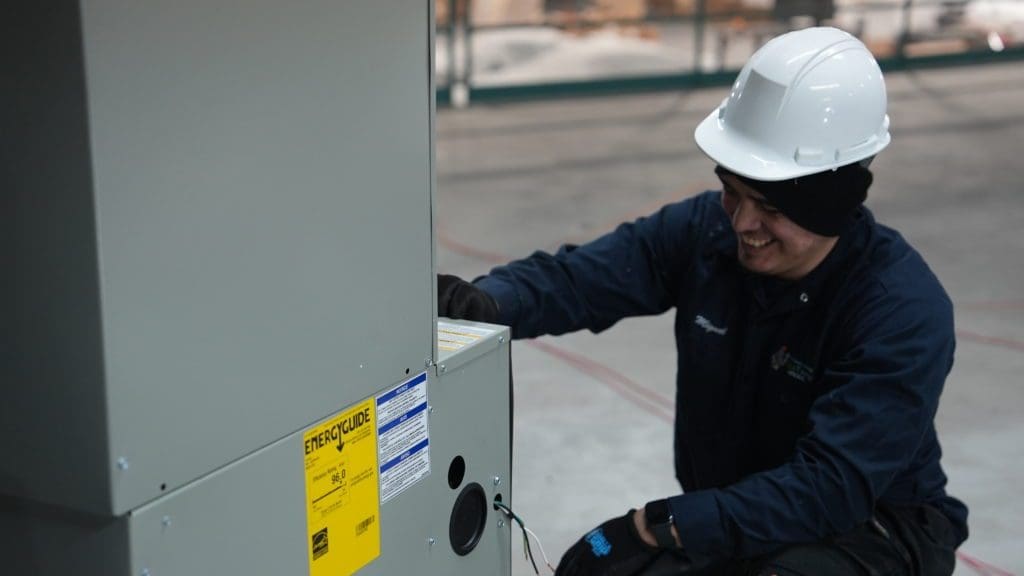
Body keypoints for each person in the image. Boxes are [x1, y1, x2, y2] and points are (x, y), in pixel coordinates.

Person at [438, 27, 967, 575]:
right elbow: (583, 279)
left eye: (769, 207)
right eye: (732, 191)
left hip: (874, 530)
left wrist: (658, 525)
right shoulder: (704, 232)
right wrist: (486, 303)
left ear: (830, 207)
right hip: (742, 506)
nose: (742, 223)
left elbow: (829, 487)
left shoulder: (899, 310)